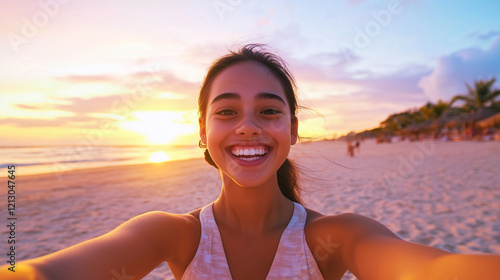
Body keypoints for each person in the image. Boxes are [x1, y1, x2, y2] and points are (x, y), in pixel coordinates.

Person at [2, 44, 499, 280]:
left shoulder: (335, 239)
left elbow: (437, 269)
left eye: (268, 110)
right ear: (203, 132)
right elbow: (48, 275)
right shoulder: (173, 235)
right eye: (226, 112)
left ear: (292, 130)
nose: (247, 126)